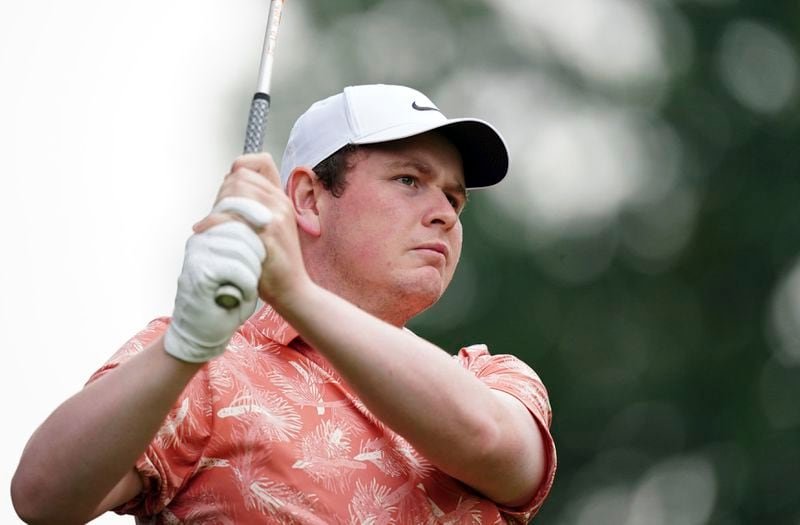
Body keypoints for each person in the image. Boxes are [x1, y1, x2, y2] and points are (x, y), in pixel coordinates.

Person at [12, 84, 556, 523]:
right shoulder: (203, 363)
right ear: (307, 199)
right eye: (410, 179)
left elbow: (492, 446)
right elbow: (43, 498)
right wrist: (183, 348)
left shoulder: (490, 376)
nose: (445, 212)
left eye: (455, 197)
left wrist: (292, 291)